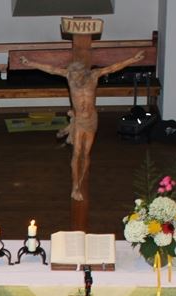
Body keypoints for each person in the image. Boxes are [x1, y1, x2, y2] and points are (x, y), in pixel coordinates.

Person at [18, 50, 145, 201]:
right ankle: (75, 187)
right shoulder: (70, 76)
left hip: (91, 120)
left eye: (76, 72)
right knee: (77, 153)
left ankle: (82, 179)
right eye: (72, 72)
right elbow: (50, 69)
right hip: (79, 121)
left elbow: (113, 68)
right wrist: (30, 62)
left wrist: (132, 59)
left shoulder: (93, 75)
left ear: (82, 71)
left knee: (86, 154)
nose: (75, 75)